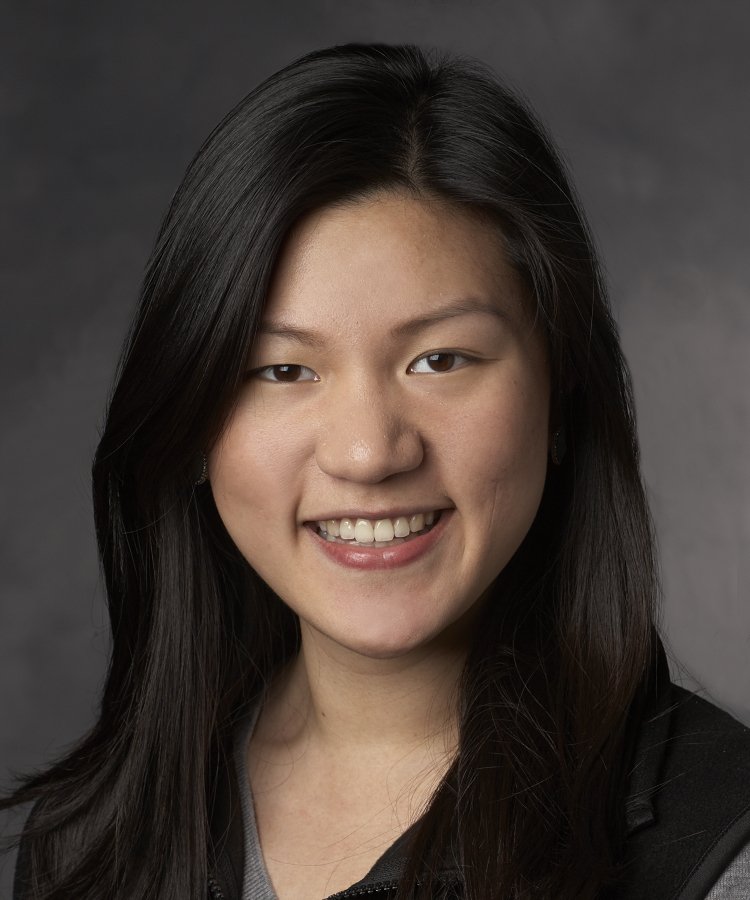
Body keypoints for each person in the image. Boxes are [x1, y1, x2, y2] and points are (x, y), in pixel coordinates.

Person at [4, 42, 749, 900]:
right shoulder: (80, 845)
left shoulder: (718, 855)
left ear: (561, 395)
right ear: (192, 422)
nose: (368, 453)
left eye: (440, 360)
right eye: (283, 370)